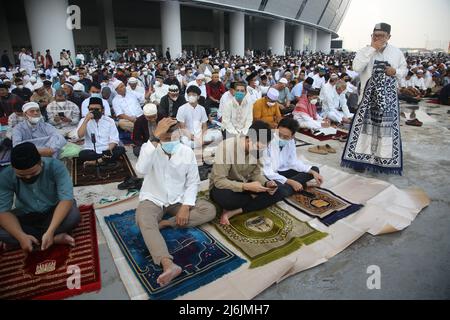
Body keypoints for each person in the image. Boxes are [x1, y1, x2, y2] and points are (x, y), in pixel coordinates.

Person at [135, 117, 215, 287]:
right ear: (158, 136)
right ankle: (168, 264)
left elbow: (193, 182)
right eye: (165, 138)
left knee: (208, 210)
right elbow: (141, 170)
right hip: (153, 198)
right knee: (143, 219)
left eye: (174, 137)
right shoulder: (149, 148)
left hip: (178, 199)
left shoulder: (186, 152)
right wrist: (155, 137)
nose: (170, 141)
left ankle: (167, 223)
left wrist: (186, 207)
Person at [342, 23, 406, 175]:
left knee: (384, 131)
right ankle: (360, 160)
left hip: (387, 102)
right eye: (374, 35)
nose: (377, 38)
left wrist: (395, 71)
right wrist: (372, 50)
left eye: (381, 36)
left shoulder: (396, 53)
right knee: (364, 131)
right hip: (367, 100)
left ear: (388, 37)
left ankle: (381, 160)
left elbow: (404, 70)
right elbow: (356, 68)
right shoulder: (364, 51)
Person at [0, 142, 80, 252]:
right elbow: (3, 211)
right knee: (3, 228)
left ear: (40, 163)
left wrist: (51, 230)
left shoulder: (56, 167)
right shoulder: (5, 176)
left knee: (73, 215)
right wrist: (20, 236)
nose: (28, 177)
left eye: (33, 174)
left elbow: (66, 200)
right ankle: (54, 239)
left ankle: (35, 240)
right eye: (22, 176)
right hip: (27, 215)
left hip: (53, 212)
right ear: (13, 168)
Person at [209, 121, 285, 225]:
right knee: (228, 200)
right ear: (248, 138)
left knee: (279, 190)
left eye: (263, 148)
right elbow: (219, 181)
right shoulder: (226, 147)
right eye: (258, 147)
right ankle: (252, 200)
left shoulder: (258, 149)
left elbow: (256, 174)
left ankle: (235, 211)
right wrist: (246, 187)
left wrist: (267, 183)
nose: (260, 151)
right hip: (224, 188)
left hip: (245, 186)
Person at [263, 118, 324, 197]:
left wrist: (312, 172)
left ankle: (290, 187)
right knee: (282, 191)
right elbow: (266, 171)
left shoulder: (291, 141)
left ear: (292, 136)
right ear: (276, 129)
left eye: (285, 137)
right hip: (268, 175)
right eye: (279, 134)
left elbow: (293, 162)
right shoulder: (265, 140)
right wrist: (290, 182)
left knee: (315, 169)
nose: (281, 138)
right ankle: (297, 186)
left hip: (280, 171)